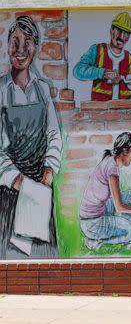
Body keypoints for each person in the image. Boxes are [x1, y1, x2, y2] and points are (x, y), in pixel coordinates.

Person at [0, 16, 63, 259]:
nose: (20, 50)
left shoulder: (43, 89)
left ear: (35, 47)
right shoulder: (2, 90)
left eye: (27, 42)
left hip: (40, 186)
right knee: (11, 257)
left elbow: (54, 134)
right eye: (15, 42)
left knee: (42, 255)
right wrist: (15, 179)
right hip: (10, 190)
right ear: (7, 46)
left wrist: (48, 170)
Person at [79, 132, 131, 250]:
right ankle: (97, 243)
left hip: (94, 214)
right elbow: (119, 207)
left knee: (128, 194)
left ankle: (125, 239)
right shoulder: (112, 170)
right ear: (124, 152)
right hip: (92, 224)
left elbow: (116, 197)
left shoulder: (110, 160)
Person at [73, 12, 131, 101]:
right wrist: (102, 73)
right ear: (111, 31)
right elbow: (77, 71)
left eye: (126, 33)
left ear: (128, 38)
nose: (122, 36)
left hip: (124, 113)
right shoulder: (97, 50)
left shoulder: (130, 59)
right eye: (119, 31)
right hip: (100, 112)